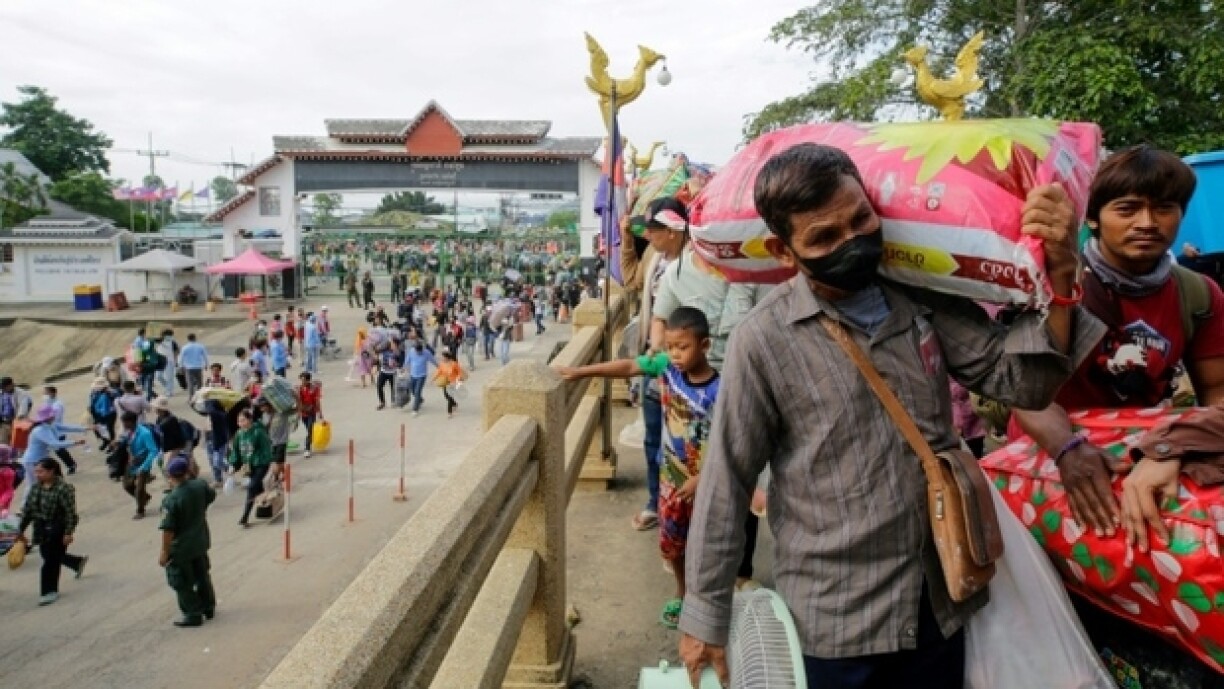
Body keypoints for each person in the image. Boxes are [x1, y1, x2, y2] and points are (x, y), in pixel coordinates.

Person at [678, 143, 1104, 688]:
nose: (852, 242)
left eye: (861, 219)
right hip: (837, 618)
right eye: (824, 238)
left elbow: (1024, 381)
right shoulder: (763, 340)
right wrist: (705, 617)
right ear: (786, 252)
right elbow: (727, 479)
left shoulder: (922, 300)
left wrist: (1063, 272)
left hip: (939, 596)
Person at [1014, 145, 1224, 542]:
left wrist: (1173, 448)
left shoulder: (1199, 294)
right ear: (1091, 217)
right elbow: (1025, 394)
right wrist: (1068, 451)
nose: (1147, 223)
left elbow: (1217, 392)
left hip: (1141, 463)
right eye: (1126, 209)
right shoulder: (1049, 280)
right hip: (1045, 464)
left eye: (1164, 208)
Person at [562, 307, 719, 629]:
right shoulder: (666, 370)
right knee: (671, 544)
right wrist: (581, 372)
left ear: (705, 346)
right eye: (671, 347)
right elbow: (631, 366)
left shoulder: (723, 390)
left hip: (710, 483)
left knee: (708, 546)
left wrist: (703, 478)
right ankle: (682, 591)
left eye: (683, 347)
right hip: (670, 480)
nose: (675, 355)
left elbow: (731, 441)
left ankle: (708, 602)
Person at [648, 196, 775, 590]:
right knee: (692, 475)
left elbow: (764, 325)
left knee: (740, 467)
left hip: (740, 380)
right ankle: (693, 570)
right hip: (691, 390)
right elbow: (660, 319)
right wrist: (659, 359)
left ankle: (741, 571)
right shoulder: (677, 274)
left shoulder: (749, 269)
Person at [621, 200, 688, 532]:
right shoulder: (654, 258)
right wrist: (627, 243)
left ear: (674, 232)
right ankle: (653, 500)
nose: (647, 233)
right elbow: (630, 279)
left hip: (681, 364)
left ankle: (677, 503)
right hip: (653, 359)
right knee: (652, 438)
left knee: (681, 442)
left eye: (653, 229)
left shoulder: (696, 264)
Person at [15, 458, 87, 606]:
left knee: (50, 560)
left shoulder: (64, 489)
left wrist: (68, 532)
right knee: (48, 555)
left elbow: (69, 512)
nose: (37, 474)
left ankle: (49, 591)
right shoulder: (36, 488)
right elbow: (28, 511)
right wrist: (19, 531)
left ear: (51, 471)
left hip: (57, 527)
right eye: (36, 471)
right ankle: (76, 562)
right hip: (41, 528)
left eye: (40, 471)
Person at [158, 455, 216, 627]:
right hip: (200, 541)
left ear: (170, 476)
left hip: (181, 548)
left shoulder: (171, 500)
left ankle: (193, 614)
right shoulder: (200, 485)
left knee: (181, 581)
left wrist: (164, 552)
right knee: (202, 576)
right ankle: (208, 606)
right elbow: (210, 496)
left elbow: (168, 530)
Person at [22, 406, 86, 505]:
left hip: (40, 459)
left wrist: (85, 428)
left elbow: (66, 427)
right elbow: (54, 443)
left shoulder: (49, 425)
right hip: (33, 460)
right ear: (49, 417)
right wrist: (75, 442)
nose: (54, 416)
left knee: (44, 482)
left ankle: (37, 505)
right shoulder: (40, 430)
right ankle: (26, 507)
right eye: (53, 415)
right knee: (33, 485)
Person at [228, 408, 272, 528]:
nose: (240, 423)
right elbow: (236, 451)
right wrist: (233, 464)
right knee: (258, 489)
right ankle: (267, 505)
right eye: (239, 421)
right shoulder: (239, 434)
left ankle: (245, 517)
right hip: (249, 466)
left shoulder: (258, 432)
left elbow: (266, 449)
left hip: (261, 464)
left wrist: (268, 462)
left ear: (250, 420)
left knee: (252, 487)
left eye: (243, 420)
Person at [118, 411, 160, 519]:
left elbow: (153, 450)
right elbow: (126, 443)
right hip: (131, 462)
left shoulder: (145, 433)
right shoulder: (128, 432)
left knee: (139, 488)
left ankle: (140, 510)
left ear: (131, 422)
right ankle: (144, 498)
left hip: (143, 463)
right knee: (127, 485)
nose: (123, 425)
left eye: (124, 423)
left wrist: (145, 466)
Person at [256, 397, 293, 482]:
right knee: (279, 462)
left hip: (281, 441)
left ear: (269, 405)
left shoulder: (281, 412)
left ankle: (276, 479)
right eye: (260, 407)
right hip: (271, 442)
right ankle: (284, 474)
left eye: (263, 406)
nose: (262, 409)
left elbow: (296, 409)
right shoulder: (264, 415)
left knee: (277, 463)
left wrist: (296, 398)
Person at [405, 340, 438, 416]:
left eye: (420, 351)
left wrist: (439, 367)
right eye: (417, 351)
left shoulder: (426, 353)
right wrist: (404, 367)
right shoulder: (411, 351)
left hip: (422, 375)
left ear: (422, 349)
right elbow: (407, 360)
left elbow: (433, 360)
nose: (418, 353)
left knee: (417, 391)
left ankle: (415, 409)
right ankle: (420, 399)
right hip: (413, 374)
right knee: (412, 390)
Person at [0, 376, 34, 445]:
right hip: (4, 423)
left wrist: (18, 420)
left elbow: (23, 408)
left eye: (4, 388)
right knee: (3, 443)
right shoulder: (2, 393)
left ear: (11, 385)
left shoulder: (22, 393)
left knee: (17, 443)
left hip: (16, 422)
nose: (3, 389)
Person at [297, 372, 323, 458]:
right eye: (301, 380)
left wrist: (320, 413)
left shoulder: (314, 389)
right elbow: (298, 401)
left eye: (303, 380)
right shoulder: (300, 389)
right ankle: (310, 442)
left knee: (309, 430)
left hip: (312, 413)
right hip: (303, 413)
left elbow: (317, 401)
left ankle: (307, 449)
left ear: (308, 380)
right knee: (308, 430)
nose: (302, 382)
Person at [434, 351, 466, 418]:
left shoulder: (454, 364)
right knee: (446, 396)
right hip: (445, 382)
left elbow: (459, 372)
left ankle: (449, 412)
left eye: (443, 357)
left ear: (447, 357)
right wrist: (433, 379)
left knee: (450, 396)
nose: (442, 358)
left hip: (453, 382)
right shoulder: (442, 364)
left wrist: (459, 378)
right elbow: (439, 372)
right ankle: (454, 404)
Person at [178, 333, 209, 401]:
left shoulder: (185, 347)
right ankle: (200, 396)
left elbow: (181, 357)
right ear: (195, 338)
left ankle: (191, 397)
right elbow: (205, 356)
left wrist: (180, 367)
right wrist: (206, 364)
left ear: (188, 339)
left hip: (189, 368)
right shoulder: (200, 346)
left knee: (190, 383)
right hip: (198, 367)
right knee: (199, 382)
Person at [375, 340, 403, 411]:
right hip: (383, 372)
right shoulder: (384, 351)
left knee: (393, 388)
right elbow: (376, 351)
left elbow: (400, 361)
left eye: (393, 344)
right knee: (379, 386)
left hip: (392, 373)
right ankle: (382, 402)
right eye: (391, 344)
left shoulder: (397, 352)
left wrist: (396, 364)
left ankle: (393, 401)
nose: (392, 345)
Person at [0, 444, 20, 517]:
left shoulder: (7, 472)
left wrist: (2, 502)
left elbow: (9, 489)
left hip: (2, 501)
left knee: (3, 517)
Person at [158, 330, 179, 397]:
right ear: (164, 335)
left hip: (169, 361)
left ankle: (169, 391)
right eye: (168, 335)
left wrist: (175, 360)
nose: (169, 337)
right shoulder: (159, 340)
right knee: (159, 376)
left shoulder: (173, 342)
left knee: (169, 377)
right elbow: (150, 340)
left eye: (170, 335)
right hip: (160, 361)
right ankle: (167, 387)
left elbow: (177, 351)